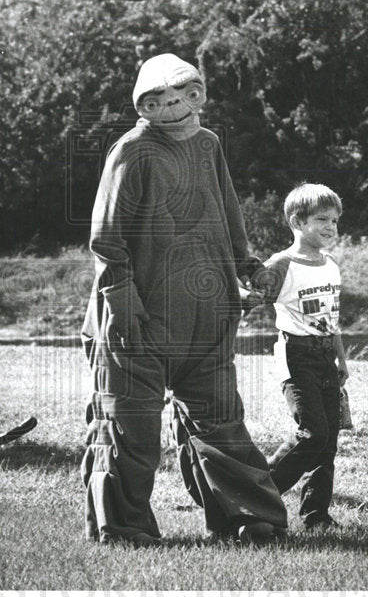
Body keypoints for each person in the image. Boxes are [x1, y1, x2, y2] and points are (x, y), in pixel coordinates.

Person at [80, 53, 288, 546]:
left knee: (221, 423)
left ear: (198, 95)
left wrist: (247, 267)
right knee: (128, 429)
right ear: (145, 104)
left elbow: (227, 213)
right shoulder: (131, 152)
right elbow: (106, 241)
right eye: (161, 99)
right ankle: (124, 528)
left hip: (205, 314)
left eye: (183, 94)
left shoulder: (209, 144)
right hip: (136, 320)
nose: (173, 105)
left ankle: (248, 520)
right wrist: (124, 307)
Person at [243, 183, 349, 530]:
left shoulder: (331, 265)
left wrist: (342, 361)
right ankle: (255, 502)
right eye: (322, 219)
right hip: (296, 357)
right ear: (297, 221)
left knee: (328, 442)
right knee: (312, 433)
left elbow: (332, 320)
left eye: (334, 220)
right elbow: (256, 296)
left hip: (326, 359)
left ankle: (316, 517)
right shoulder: (283, 264)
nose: (331, 227)